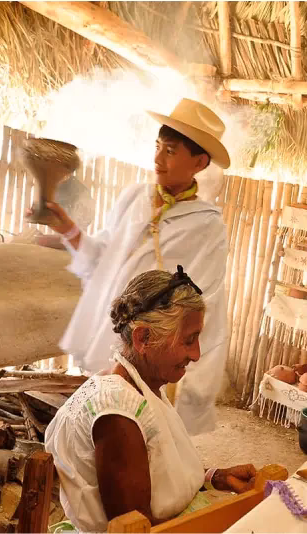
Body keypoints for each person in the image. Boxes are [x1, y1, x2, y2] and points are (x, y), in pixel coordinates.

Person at [42, 98, 230, 435]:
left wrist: (185, 352)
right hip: (112, 327)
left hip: (151, 344)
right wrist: (67, 229)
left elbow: (205, 296)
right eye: (157, 147)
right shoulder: (134, 196)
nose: (158, 158)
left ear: (200, 162)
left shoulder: (207, 224)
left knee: (141, 424)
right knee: (100, 415)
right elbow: (103, 256)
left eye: (170, 151)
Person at [45, 268, 257, 532]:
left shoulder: (141, 387)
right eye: (189, 340)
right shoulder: (118, 415)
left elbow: (158, 473)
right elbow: (136, 529)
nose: (196, 354)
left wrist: (215, 478)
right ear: (143, 338)